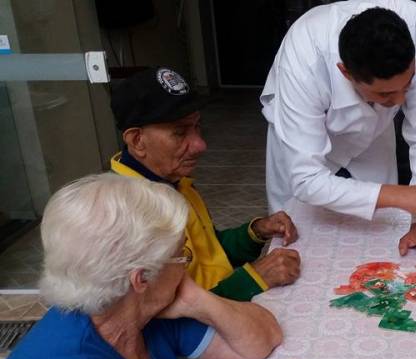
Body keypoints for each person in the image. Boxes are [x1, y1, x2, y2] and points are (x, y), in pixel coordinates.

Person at [0, 174, 316, 359]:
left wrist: (197, 299)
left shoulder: (134, 310)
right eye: (182, 256)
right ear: (141, 278)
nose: (187, 265)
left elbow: (262, 338)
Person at [261, 0, 416, 265]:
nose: (402, 100)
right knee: (296, 238)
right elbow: (307, 180)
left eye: (409, 84)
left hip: (374, 131)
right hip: (301, 135)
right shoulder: (305, 55)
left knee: (385, 232)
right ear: (345, 72)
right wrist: (402, 195)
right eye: (387, 93)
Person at [111, 67, 300, 302]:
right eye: (180, 133)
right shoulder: (126, 215)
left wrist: (256, 231)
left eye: (197, 127)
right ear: (137, 141)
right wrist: (255, 278)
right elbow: (167, 318)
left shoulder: (171, 182)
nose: (200, 145)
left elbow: (209, 255)